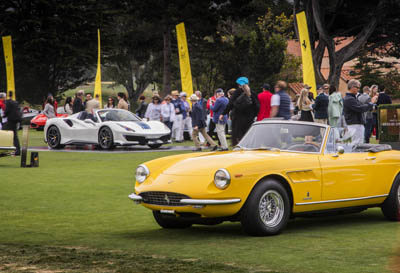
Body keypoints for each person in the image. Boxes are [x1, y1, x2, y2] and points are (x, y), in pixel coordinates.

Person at [221, 76, 259, 146]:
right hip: (249, 119)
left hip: (238, 118)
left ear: (239, 84)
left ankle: (239, 147)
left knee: (238, 136)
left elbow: (230, 104)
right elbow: (257, 106)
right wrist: (255, 115)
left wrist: (223, 113)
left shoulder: (236, 92)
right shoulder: (253, 93)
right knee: (248, 134)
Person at [343, 79, 377, 144]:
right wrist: (371, 103)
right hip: (354, 124)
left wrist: (370, 104)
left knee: (359, 143)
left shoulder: (352, 98)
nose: (359, 89)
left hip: (356, 124)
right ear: (352, 87)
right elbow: (360, 108)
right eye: (357, 87)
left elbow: (362, 106)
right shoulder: (349, 99)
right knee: (357, 145)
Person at [3, 91, 21, 155]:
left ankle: (4, 149)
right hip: (16, 120)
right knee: (15, 135)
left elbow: (6, 111)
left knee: (4, 132)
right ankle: (18, 150)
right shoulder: (15, 102)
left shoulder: (8, 102)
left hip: (10, 120)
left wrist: (3, 115)